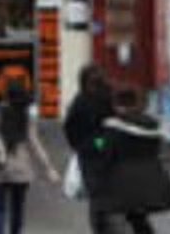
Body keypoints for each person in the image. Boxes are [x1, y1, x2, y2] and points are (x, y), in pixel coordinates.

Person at [0, 79, 59, 234]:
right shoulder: (26, 116)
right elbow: (35, 144)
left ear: (6, 95)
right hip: (20, 169)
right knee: (17, 211)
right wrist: (48, 168)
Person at [103, 87, 170, 233]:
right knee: (138, 218)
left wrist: (95, 142)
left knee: (125, 218)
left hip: (126, 181)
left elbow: (106, 148)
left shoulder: (115, 125)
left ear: (117, 104)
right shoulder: (152, 123)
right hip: (153, 177)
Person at [63, 63, 115, 233]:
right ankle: (104, 226)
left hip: (92, 153)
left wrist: (82, 145)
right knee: (103, 193)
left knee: (97, 195)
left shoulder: (82, 100)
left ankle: (102, 226)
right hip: (103, 152)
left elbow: (70, 128)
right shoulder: (106, 97)